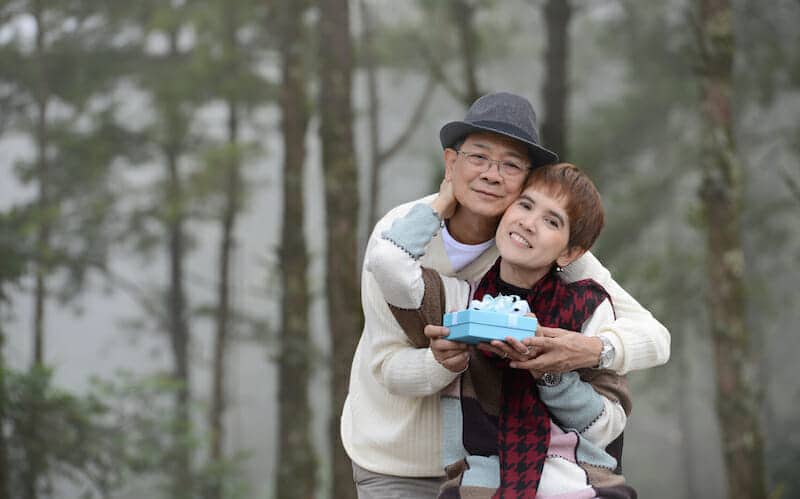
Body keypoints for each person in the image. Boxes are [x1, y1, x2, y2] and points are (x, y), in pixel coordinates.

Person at [340, 92, 669, 498]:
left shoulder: (529, 243)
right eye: (478, 157)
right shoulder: (401, 236)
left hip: (482, 470)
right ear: (451, 162)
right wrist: (443, 363)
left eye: (510, 165)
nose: (493, 174)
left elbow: (653, 337)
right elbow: (386, 365)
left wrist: (588, 350)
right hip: (395, 460)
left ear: (527, 179)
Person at [368, 163, 636, 498]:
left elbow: (605, 429)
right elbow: (387, 263)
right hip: (479, 487)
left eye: (551, 221)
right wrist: (444, 200)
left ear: (570, 252)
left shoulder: (588, 308)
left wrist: (551, 373)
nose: (528, 222)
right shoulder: (461, 300)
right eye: (524, 205)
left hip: (580, 487)